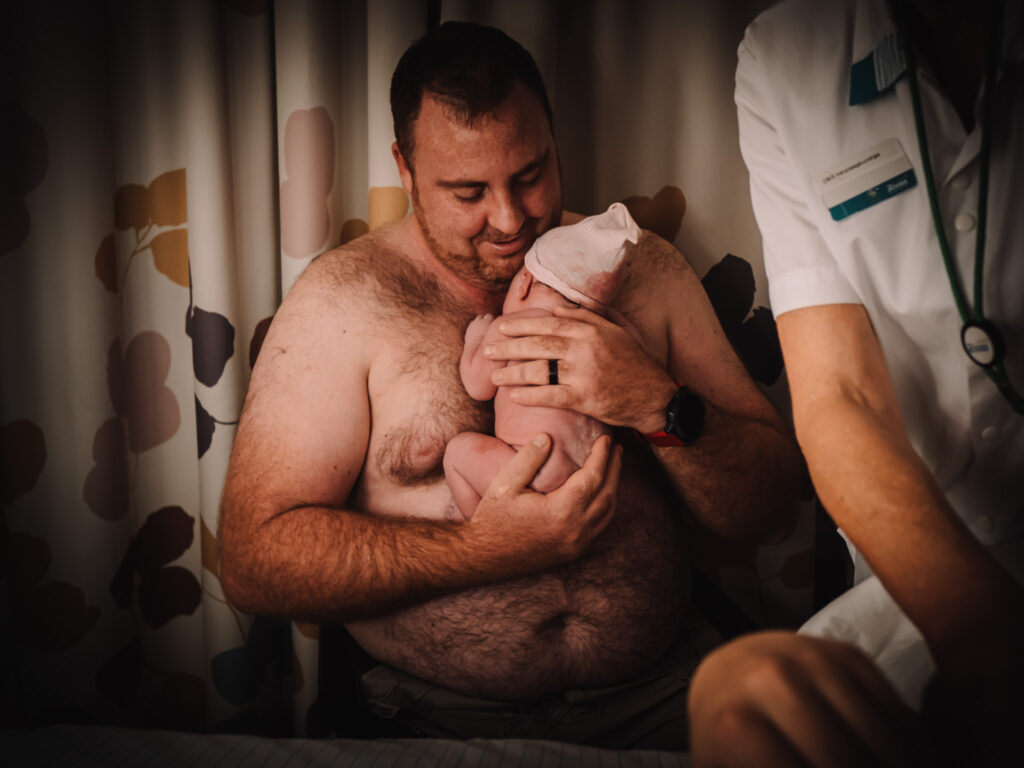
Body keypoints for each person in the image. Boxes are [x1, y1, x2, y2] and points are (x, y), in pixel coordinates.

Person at [219, 20, 800, 748]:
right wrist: (483, 552)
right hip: (430, 716)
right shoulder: (346, 301)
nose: (510, 219)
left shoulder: (633, 267)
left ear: (554, 138)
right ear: (405, 168)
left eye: (530, 175)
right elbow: (253, 561)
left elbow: (772, 503)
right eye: (468, 191)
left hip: (665, 694)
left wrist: (654, 401)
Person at [733, 0, 1024, 763]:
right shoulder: (786, 53)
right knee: (738, 701)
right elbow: (837, 396)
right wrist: (976, 629)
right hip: (919, 573)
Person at [444, 202, 639, 521]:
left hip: (531, 468)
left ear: (524, 282)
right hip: (592, 476)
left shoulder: (513, 326)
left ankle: (479, 524)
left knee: (456, 453)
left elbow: (478, 385)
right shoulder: (607, 338)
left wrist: (476, 337)